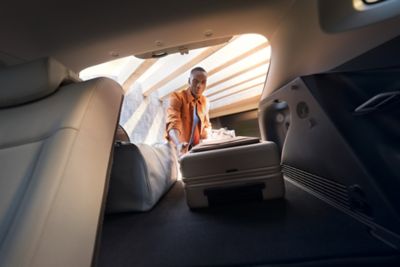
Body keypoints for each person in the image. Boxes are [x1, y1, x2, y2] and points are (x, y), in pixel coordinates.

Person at [166, 67, 211, 157]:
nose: (199, 85)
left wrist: (208, 138)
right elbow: (173, 123)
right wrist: (178, 144)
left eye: (203, 82)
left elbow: (206, 125)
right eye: (195, 81)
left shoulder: (205, 101)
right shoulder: (177, 97)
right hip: (178, 150)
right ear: (189, 81)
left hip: (197, 150)